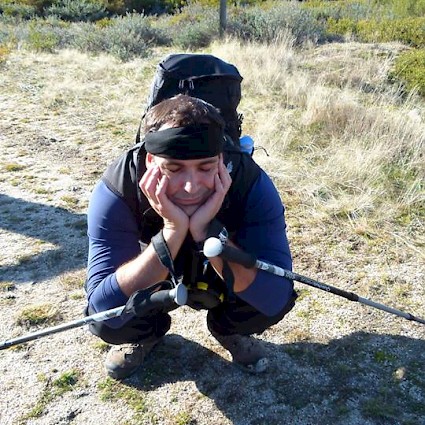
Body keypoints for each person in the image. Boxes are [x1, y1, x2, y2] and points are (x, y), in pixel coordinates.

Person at [85, 94, 297, 379]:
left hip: (217, 276)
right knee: (112, 323)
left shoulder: (250, 183)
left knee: (264, 301)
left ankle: (227, 329)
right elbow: (101, 310)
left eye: (206, 167)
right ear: (151, 161)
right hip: (157, 279)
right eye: (173, 168)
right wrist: (172, 231)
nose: (190, 187)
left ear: (220, 160)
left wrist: (207, 230)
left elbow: (275, 297)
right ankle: (146, 334)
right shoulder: (118, 188)